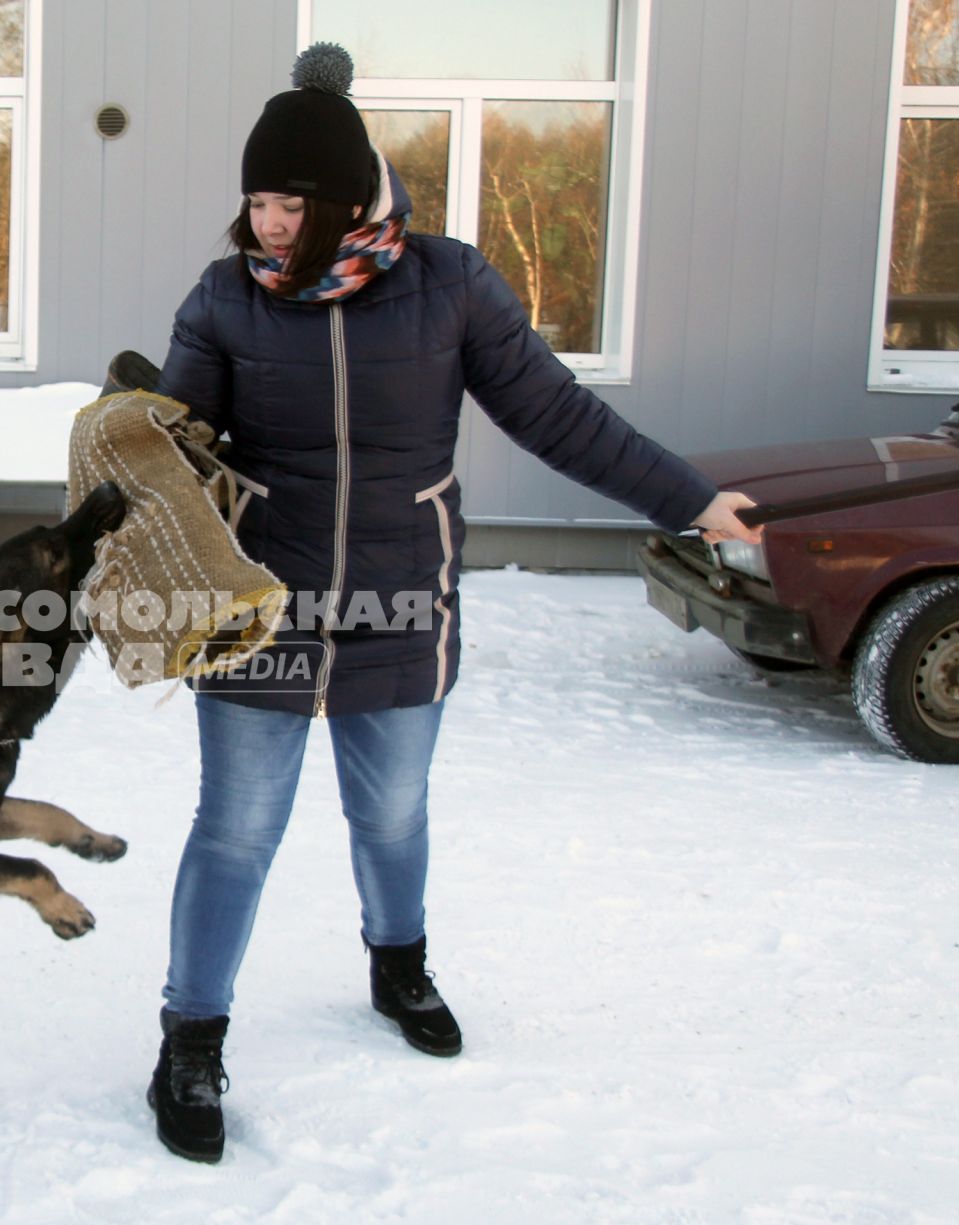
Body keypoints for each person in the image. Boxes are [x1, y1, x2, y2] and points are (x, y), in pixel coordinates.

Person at [144, 43, 761, 1165]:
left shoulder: (450, 284)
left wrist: (689, 499)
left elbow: (560, 418)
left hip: (397, 599)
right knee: (236, 828)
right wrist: (134, 433)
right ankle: (191, 1035)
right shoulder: (226, 298)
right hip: (260, 607)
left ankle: (398, 962)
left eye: (291, 201)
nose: (269, 224)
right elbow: (168, 451)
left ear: (343, 199)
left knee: (389, 814)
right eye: (257, 201)